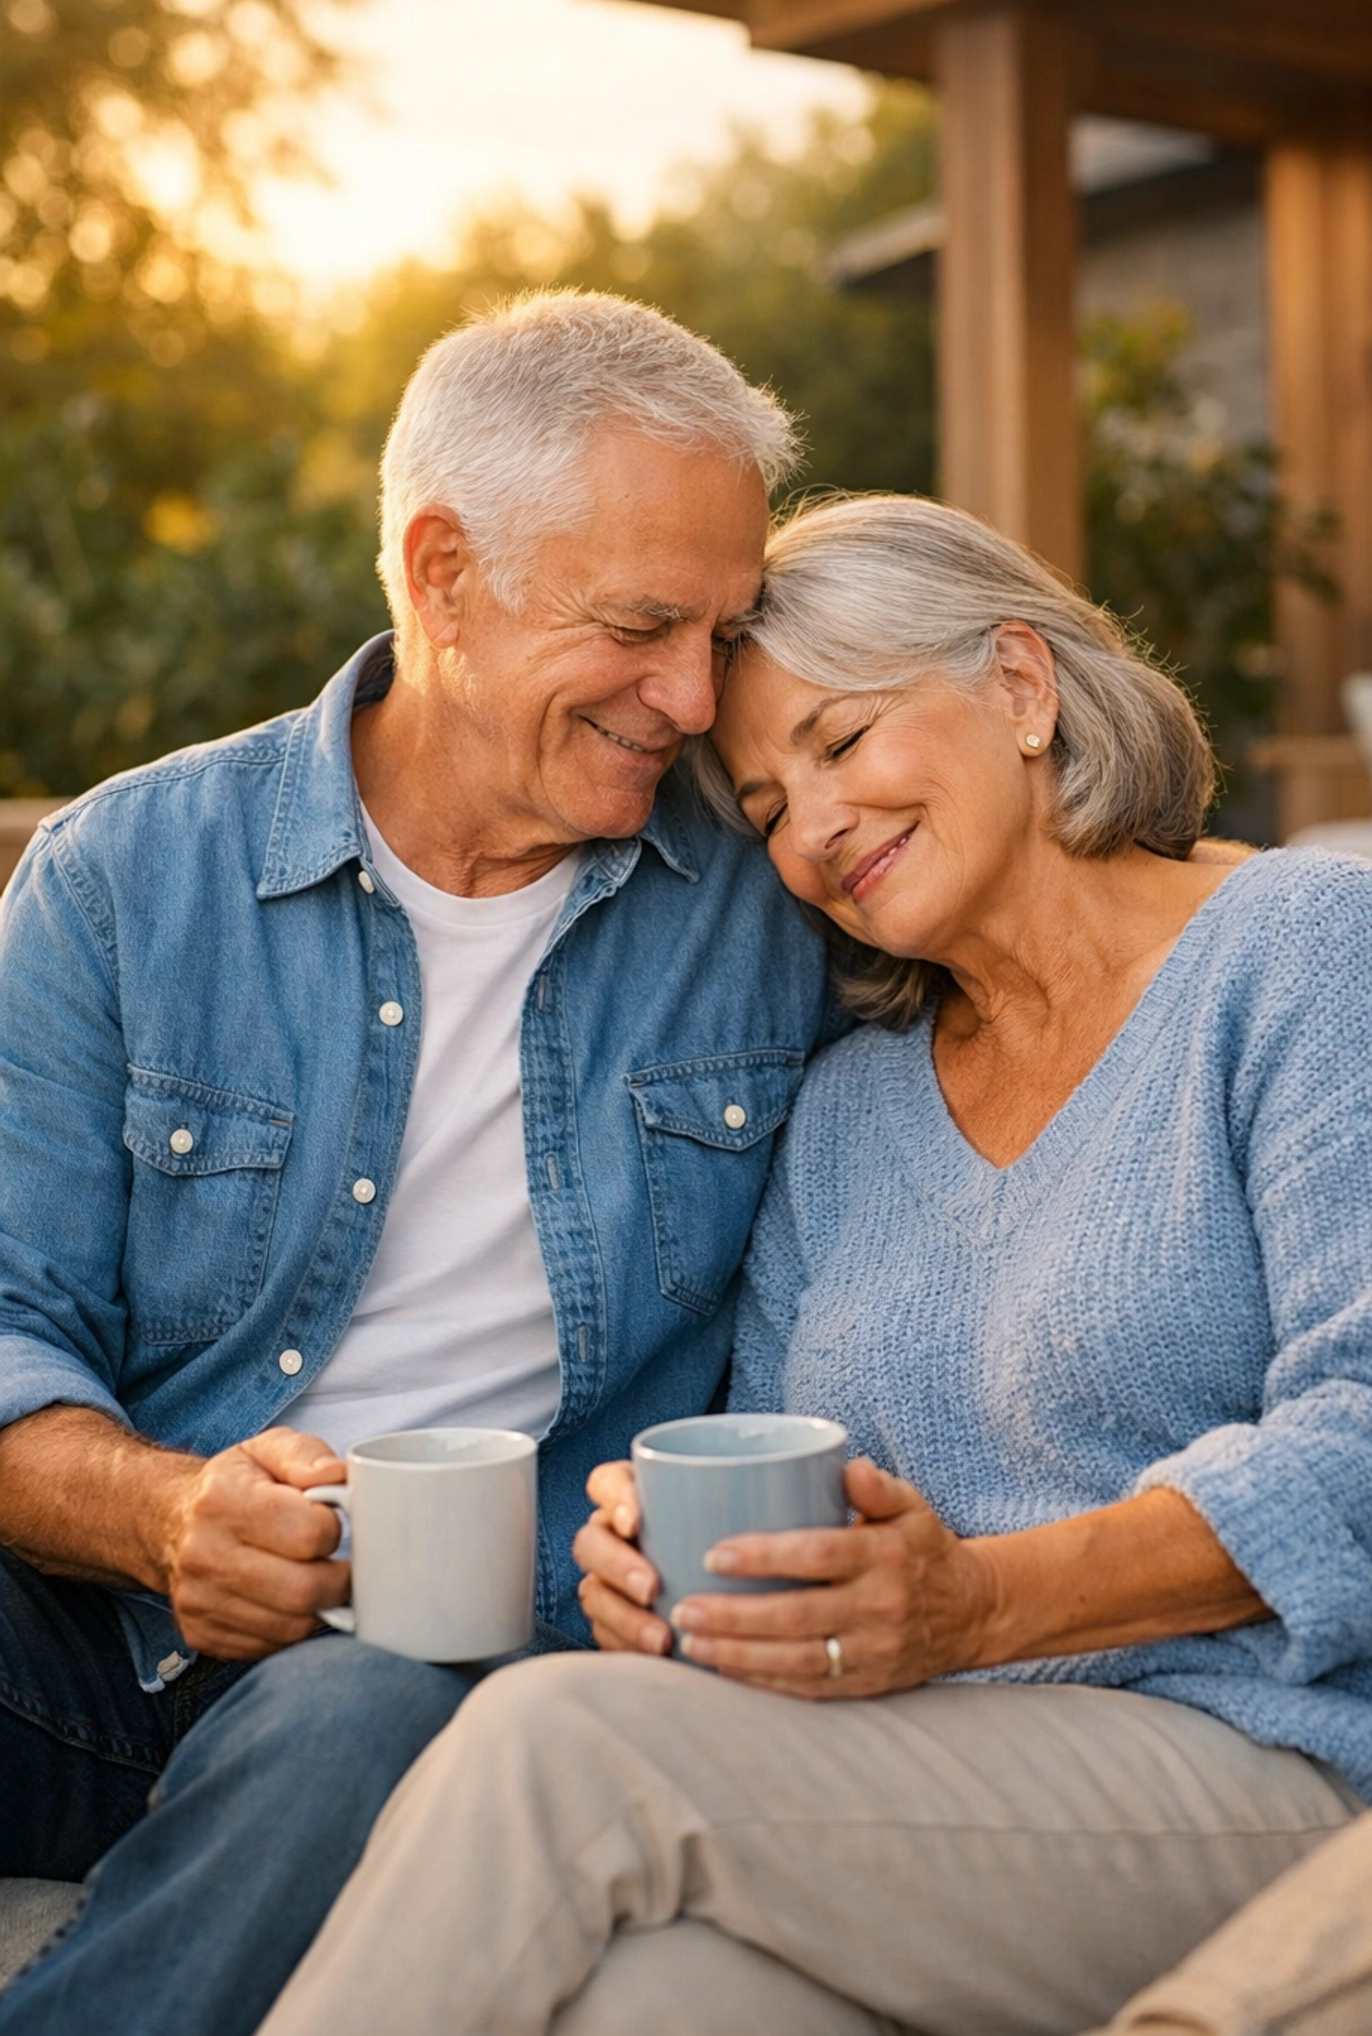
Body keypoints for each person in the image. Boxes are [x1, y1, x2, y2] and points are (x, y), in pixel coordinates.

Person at [258, 497, 1372, 2036]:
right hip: (952, 1786)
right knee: (650, 2001)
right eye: (765, 807)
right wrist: (665, 1576)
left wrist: (976, 1606)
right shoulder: (851, 1109)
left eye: (844, 742)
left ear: (1019, 685)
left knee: (564, 1748)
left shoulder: (1309, 943)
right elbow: (808, 1489)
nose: (815, 831)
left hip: (1325, 1755)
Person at [0, 294, 833, 2036]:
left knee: (361, 1718)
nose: (696, 698)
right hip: (98, 1630)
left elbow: (1062, 899)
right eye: (640, 626)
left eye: (725, 633)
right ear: (444, 574)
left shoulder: (778, 885)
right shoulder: (121, 879)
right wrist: (168, 1516)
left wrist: (1347, 943)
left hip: (442, 1648)